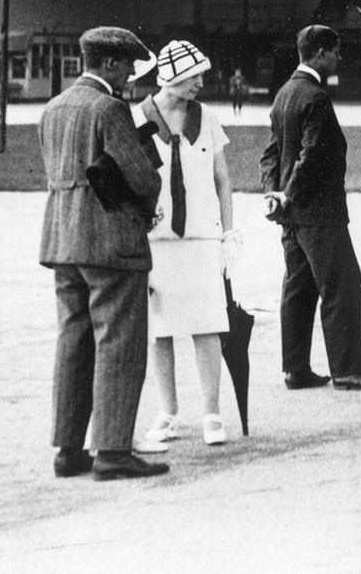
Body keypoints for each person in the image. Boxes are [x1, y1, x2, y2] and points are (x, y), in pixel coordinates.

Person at [39, 26, 168, 481]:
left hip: (62, 238)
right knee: (119, 343)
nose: (130, 74)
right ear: (109, 63)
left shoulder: (54, 107)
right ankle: (113, 451)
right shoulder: (110, 109)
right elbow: (143, 178)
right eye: (127, 65)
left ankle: (68, 449)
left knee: (73, 343)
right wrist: (148, 201)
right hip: (111, 241)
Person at [261, 25, 361, 392]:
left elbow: (270, 153)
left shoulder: (285, 94)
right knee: (343, 288)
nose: (339, 57)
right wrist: (289, 194)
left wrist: (274, 193)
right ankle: (349, 370)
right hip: (319, 213)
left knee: (298, 290)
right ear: (319, 53)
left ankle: (295, 369)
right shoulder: (315, 97)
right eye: (335, 51)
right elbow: (312, 154)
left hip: (292, 217)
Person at [135, 40, 236, 447]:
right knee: (159, 330)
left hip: (201, 239)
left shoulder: (207, 117)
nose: (200, 84)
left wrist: (228, 232)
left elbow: (222, 179)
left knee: (207, 326)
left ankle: (212, 412)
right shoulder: (138, 119)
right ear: (172, 78)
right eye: (194, 77)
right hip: (156, 242)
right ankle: (168, 411)